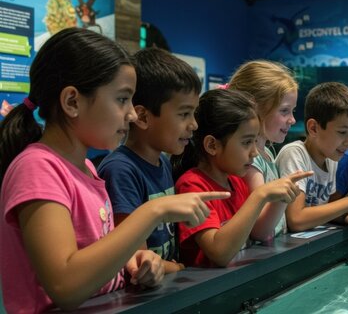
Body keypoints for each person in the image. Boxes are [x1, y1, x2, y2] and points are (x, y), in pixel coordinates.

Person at [0, 28, 225, 313]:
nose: (131, 114)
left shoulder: (88, 168)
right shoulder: (37, 168)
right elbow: (65, 286)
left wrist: (135, 262)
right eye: (121, 99)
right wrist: (152, 212)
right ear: (72, 101)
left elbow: (95, 261)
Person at [171, 89, 312, 267]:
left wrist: (281, 199)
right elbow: (219, 253)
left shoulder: (237, 181)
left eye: (255, 141)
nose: (254, 152)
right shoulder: (192, 185)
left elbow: (258, 233)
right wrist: (260, 196)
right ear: (212, 145)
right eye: (246, 142)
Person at [98, 47, 201, 274]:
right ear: (143, 116)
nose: (193, 124)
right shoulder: (120, 170)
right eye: (184, 114)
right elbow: (133, 257)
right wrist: (178, 268)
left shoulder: (162, 162)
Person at [275, 82, 348, 233]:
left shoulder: (331, 160)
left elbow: (323, 211)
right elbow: (296, 220)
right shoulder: (295, 154)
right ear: (314, 128)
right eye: (342, 132)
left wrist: (347, 217)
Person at [228, 60, 298, 238]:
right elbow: (259, 230)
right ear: (254, 108)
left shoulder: (267, 151)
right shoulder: (252, 161)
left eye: (292, 111)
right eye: (284, 111)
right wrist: (284, 198)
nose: (292, 120)